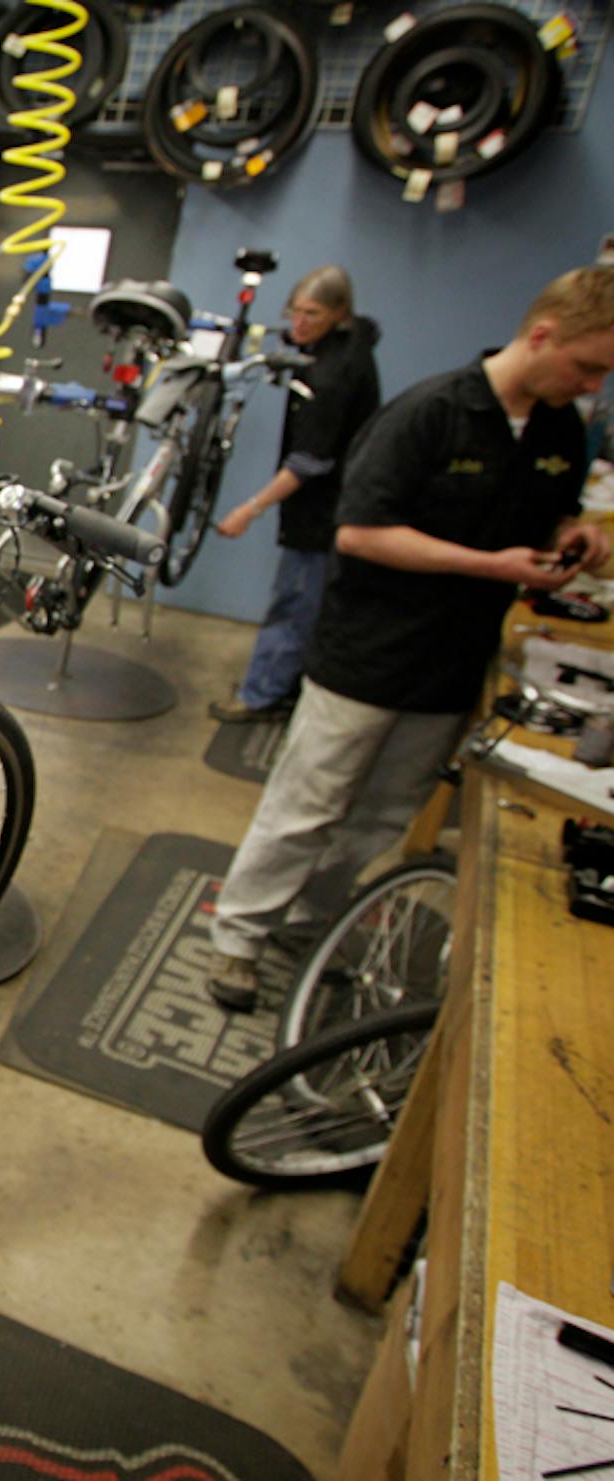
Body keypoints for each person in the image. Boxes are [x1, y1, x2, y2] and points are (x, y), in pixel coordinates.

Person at [207, 266, 614, 1012]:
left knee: (379, 819)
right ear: (544, 334)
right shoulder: (430, 412)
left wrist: (573, 534)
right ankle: (238, 937)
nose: (591, 385)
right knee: (307, 806)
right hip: (368, 652)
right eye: (587, 365)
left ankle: (304, 926)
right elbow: (359, 533)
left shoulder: (560, 429)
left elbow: (545, 515)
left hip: (452, 665)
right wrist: (491, 564)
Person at [209, 265, 383, 723]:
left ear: (339, 313)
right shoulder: (348, 344)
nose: (299, 323)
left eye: (312, 314)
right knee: (303, 601)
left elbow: (309, 462)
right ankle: (279, 684)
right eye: (295, 312)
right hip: (331, 502)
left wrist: (249, 510)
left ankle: (262, 695)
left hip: (324, 510)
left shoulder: (332, 376)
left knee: (295, 603)